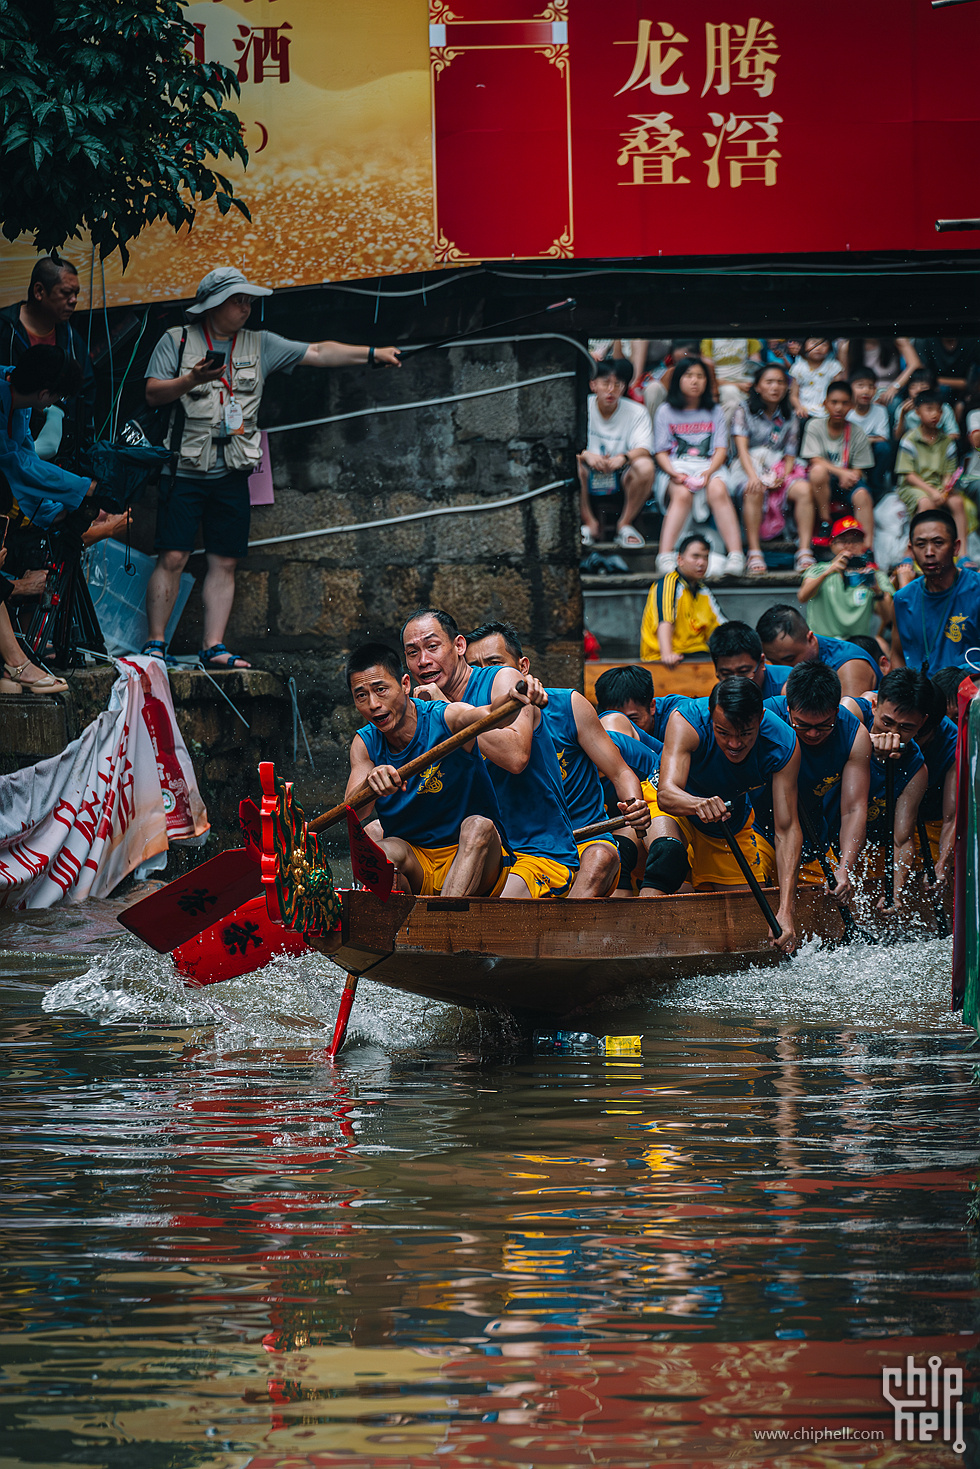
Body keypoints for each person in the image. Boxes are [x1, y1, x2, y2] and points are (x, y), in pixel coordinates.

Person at [143, 266, 401, 670]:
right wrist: (191, 378)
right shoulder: (175, 340)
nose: (246, 308)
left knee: (225, 560)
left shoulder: (260, 344)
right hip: (184, 468)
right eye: (238, 300)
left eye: (249, 301)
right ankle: (155, 643)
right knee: (173, 555)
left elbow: (316, 352)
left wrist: (372, 354)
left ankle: (214, 646)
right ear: (212, 305)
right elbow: (153, 393)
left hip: (233, 471)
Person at [463, 621, 650, 898]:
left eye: (495, 664)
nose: (486, 675)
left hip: (583, 838)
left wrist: (635, 805)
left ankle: (566, 934)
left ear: (523, 667)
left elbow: (620, 772)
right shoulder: (464, 720)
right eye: (476, 668)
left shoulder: (569, 705)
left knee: (601, 857)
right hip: (517, 848)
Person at [401, 608, 578, 898]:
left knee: (476, 829)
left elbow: (515, 757)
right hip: (461, 854)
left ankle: (436, 928)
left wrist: (448, 711)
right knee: (379, 834)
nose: (423, 661)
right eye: (412, 653)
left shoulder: (502, 680)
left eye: (432, 647)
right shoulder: (418, 709)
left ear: (459, 646)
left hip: (534, 850)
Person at [344, 641, 541, 897]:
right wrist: (370, 785)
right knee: (377, 848)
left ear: (405, 684)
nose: (373, 704)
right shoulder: (365, 743)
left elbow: (493, 714)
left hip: (477, 859)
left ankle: (439, 922)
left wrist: (515, 698)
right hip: (419, 864)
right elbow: (353, 813)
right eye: (361, 695)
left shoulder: (446, 717)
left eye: (381, 690)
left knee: (478, 826)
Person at [651, 677, 801, 953]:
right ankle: (645, 937)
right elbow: (667, 794)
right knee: (666, 854)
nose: (734, 743)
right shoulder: (687, 721)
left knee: (747, 919)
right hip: (677, 807)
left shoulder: (782, 743)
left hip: (728, 821)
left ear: (760, 718)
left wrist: (786, 909)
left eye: (745, 733)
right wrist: (697, 804)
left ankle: (688, 897)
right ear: (711, 717)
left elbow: (787, 829)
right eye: (723, 732)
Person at [757, 661, 871, 902]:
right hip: (754, 828)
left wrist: (844, 868)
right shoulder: (763, 719)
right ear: (788, 709)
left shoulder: (855, 735)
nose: (812, 734)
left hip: (810, 836)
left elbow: (854, 809)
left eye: (823, 726)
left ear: (836, 711)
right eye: (803, 725)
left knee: (831, 904)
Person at [843, 669, 931, 910]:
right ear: (874, 706)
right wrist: (867, 742)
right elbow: (839, 717)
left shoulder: (916, 769)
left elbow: (901, 840)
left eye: (905, 727)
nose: (893, 734)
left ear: (921, 723)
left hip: (870, 844)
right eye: (887, 722)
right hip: (829, 838)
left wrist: (895, 891)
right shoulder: (852, 712)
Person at [0, 255, 95, 469]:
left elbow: (85, 392)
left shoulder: (71, 338)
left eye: (76, 294)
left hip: (55, 461)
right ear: (39, 291)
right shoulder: (6, 331)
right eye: (66, 293)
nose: (73, 301)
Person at [652, 356, 744, 577]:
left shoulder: (714, 411)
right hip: (675, 468)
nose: (695, 381)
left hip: (709, 467)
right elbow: (660, 452)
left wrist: (708, 473)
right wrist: (675, 473)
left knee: (718, 489)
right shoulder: (665, 410)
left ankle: (736, 555)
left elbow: (721, 449)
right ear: (678, 380)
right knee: (682, 494)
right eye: (689, 376)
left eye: (700, 376)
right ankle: (664, 556)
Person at [729, 362, 815, 575]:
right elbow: (741, 449)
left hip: (779, 467)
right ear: (757, 386)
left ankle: (804, 550)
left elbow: (790, 453)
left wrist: (782, 476)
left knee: (803, 489)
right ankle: (755, 552)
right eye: (769, 382)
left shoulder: (789, 415)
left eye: (780, 382)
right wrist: (754, 476)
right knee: (754, 489)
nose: (775, 387)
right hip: (747, 466)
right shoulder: (744, 410)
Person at [891, 508, 980, 673]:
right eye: (921, 544)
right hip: (922, 693)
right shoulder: (902, 599)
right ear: (911, 550)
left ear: (955, 547)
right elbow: (898, 656)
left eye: (938, 543)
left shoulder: (977, 588)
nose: (929, 552)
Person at [578, 357, 654, 550]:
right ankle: (589, 523)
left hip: (621, 472)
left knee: (645, 466)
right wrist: (586, 455)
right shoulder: (581, 407)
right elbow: (568, 444)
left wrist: (624, 458)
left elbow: (644, 447)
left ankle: (625, 524)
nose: (611, 390)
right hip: (588, 470)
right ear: (593, 385)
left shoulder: (636, 411)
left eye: (617, 384)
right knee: (571, 465)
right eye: (605, 383)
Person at [800, 380, 876, 552]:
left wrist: (850, 475)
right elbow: (815, 459)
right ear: (825, 403)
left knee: (862, 495)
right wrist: (841, 473)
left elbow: (860, 467)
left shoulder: (857, 432)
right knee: (818, 471)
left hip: (848, 483)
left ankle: (867, 548)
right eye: (834, 402)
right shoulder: (815, 426)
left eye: (844, 403)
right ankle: (826, 522)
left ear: (851, 405)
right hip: (825, 481)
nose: (839, 408)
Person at [797, 516, 894, 641]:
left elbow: (888, 617)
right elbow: (802, 597)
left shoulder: (875, 576)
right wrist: (829, 571)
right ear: (831, 544)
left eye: (855, 540)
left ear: (863, 545)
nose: (849, 546)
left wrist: (877, 591)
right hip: (823, 642)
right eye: (843, 540)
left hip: (857, 644)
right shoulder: (818, 569)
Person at [894, 391, 967, 550]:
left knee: (957, 501)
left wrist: (945, 488)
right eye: (929, 409)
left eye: (939, 410)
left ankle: (963, 553)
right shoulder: (910, 439)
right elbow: (909, 475)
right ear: (918, 412)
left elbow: (949, 472)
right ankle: (915, 551)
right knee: (927, 503)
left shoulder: (947, 441)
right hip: (914, 487)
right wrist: (933, 492)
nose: (935, 414)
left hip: (937, 486)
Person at [756, 604, 880, 697]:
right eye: (773, 662)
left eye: (790, 659)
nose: (783, 669)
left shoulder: (849, 664)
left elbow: (848, 723)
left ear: (810, 638)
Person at [639, 533, 725, 665]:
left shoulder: (704, 591)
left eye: (705, 557)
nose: (701, 563)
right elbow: (665, 621)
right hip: (664, 656)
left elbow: (720, 627)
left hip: (697, 653)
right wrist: (667, 654)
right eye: (695, 556)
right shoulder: (669, 583)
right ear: (680, 559)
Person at [915, 683, 957, 889]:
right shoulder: (887, 706)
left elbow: (952, 817)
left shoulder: (953, 742)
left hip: (931, 820)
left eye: (916, 734)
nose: (906, 739)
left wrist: (942, 864)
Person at [592, 663, 687, 747]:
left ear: (652, 706)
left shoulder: (682, 716)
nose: (625, 728)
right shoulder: (599, 726)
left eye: (633, 719)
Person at [847, 367, 892, 498]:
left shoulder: (880, 410)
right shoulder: (847, 411)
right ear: (850, 388)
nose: (866, 391)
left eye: (871, 386)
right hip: (850, 452)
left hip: (871, 452)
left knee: (884, 448)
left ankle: (876, 488)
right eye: (860, 386)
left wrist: (863, 440)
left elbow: (883, 438)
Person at [912, 336, 980, 422]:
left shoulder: (971, 340)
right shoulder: (926, 340)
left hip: (967, 391)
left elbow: (971, 383)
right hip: (936, 389)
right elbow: (923, 374)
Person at [841, 337, 921, 409]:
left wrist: (895, 386)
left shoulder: (897, 340)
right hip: (862, 390)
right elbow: (846, 377)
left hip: (889, 389)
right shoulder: (848, 346)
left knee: (893, 402)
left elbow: (915, 364)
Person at [697, 337, 762, 422]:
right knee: (730, 392)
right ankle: (727, 434)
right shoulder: (709, 339)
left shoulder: (748, 335)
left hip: (744, 379)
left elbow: (756, 363)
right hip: (719, 382)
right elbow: (708, 372)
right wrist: (737, 385)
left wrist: (752, 383)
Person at [893, 368, 958, 441]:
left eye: (924, 387)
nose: (918, 390)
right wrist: (902, 416)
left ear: (933, 389)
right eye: (913, 387)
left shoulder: (943, 408)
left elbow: (954, 434)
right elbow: (897, 437)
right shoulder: (903, 408)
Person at [789, 338, 844, 420]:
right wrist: (798, 407)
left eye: (824, 344)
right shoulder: (798, 368)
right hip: (804, 412)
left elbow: (838, 392)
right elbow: (793, 395)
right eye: (814, 343)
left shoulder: (834, 367)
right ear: (805, 346)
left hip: (827, 412)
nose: (818, 348)